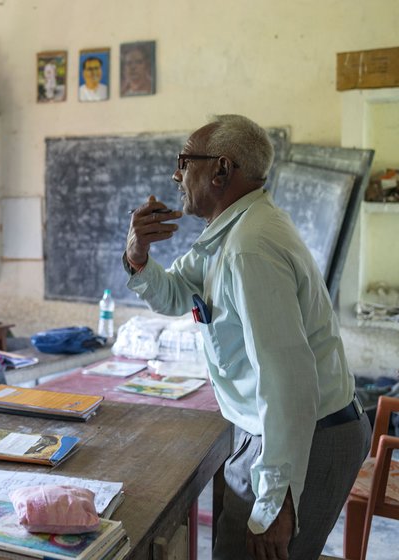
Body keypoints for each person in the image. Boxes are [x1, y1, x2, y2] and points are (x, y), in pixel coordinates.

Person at [123, 114, 371, 559]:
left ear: (221, 169)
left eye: (184, 160)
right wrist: (137, 255)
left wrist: (276, 502)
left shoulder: (249, 247)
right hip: (273, 430)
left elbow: (288, 382)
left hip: (308, 434)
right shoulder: (229, 233)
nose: (176, 174)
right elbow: (177, 294)